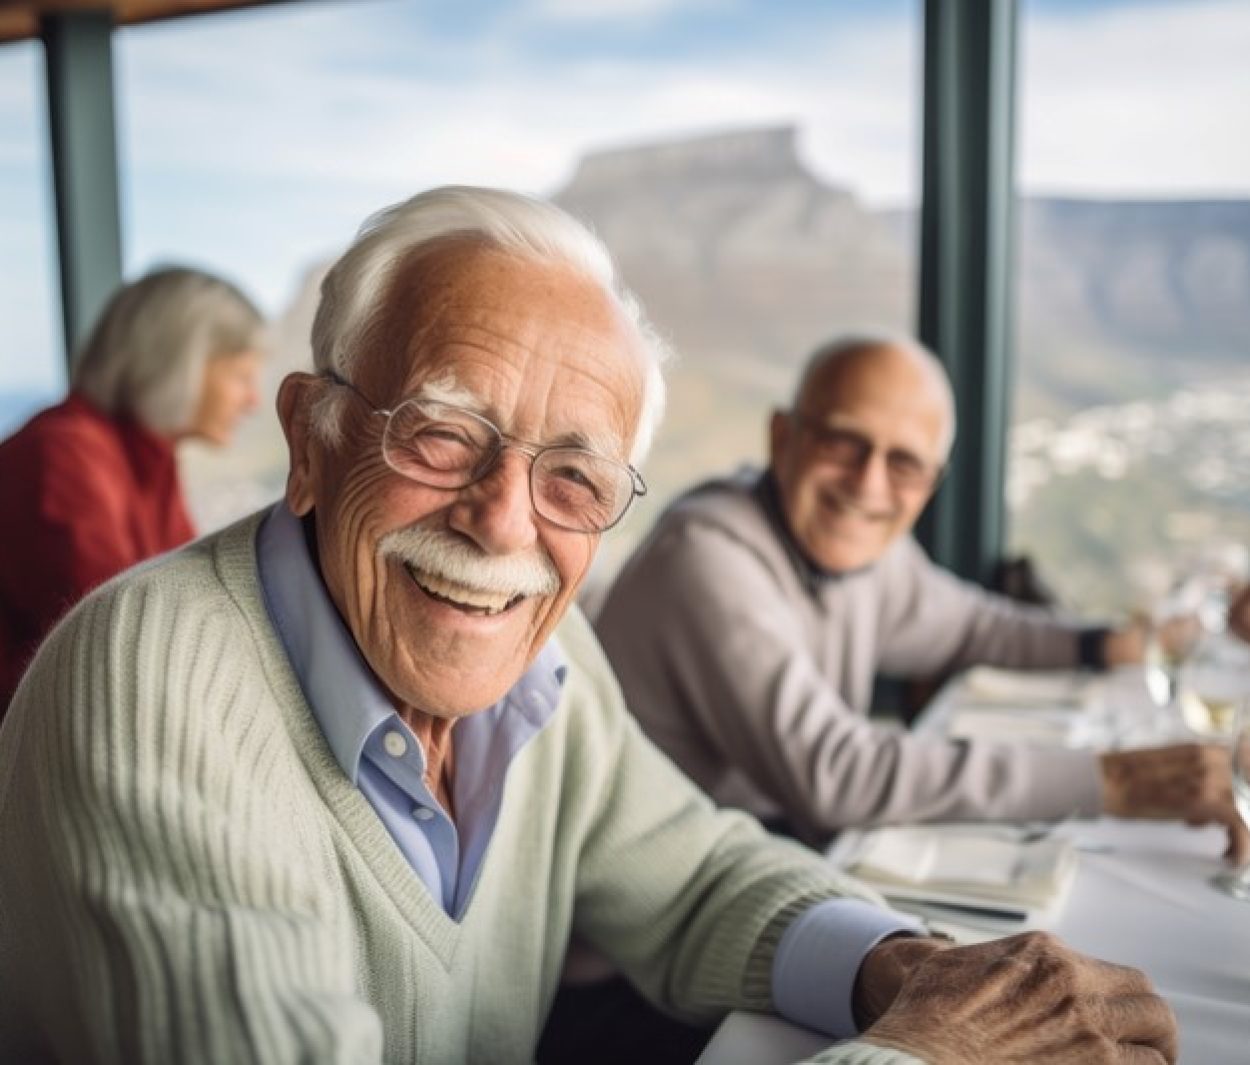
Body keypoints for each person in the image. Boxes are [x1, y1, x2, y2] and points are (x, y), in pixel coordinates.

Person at [0, 189, 1181, 1065]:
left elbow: (690, 872)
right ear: (310, 440)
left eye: (573, 475)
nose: (503, 522)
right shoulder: (151, 681)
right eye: (442, 434)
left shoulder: (541, 655)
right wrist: (918, 1055)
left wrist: (901, 965)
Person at [595, 333, 1246, 860]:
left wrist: (1108, 643)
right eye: (842, 441)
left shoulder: (861, 550)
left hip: (747, 871)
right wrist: (1116, 780)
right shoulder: (706, 556)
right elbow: (836, 774)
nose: (868, 483)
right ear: (782, 438)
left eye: (903, 463)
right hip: (636, 965)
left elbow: (976, 626)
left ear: (931, 482)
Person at [0, 265, 265, 714]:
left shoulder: (145, 458)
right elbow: (124, 640)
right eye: (240, 377)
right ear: (178, 366)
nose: (254, 399)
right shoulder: (64, 456)